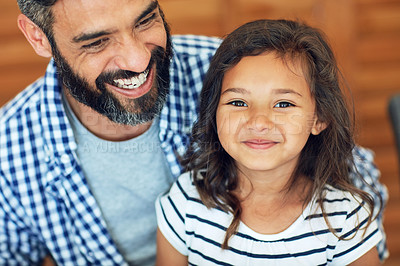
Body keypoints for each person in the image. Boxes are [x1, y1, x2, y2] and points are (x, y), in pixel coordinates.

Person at [0, 0, 386, 264]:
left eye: (145, 19)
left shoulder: (236, 69)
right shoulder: (10, 150)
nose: (138, 59)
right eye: (98, 41)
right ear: (38, 36)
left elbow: (355, 177)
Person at [155, 19, 387, 265]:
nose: (259, 122)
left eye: (283, 104)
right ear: (213, 113)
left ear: (319, 118)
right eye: (238, 102)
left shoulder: (346, 218)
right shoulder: (186, 202)